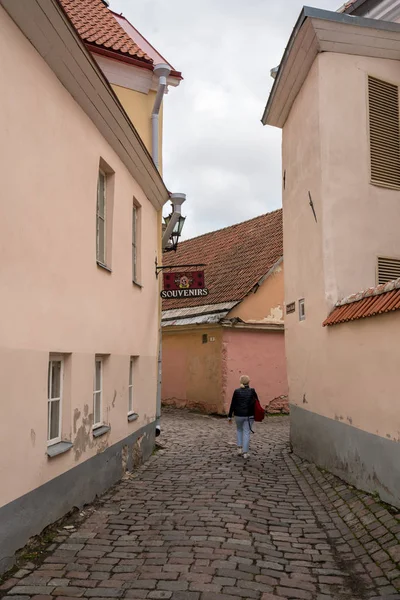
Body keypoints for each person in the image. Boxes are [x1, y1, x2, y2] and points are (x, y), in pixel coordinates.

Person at [228, 375, 258, 459]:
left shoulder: (236, 391)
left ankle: (239, 449)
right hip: (249, 415)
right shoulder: (252, 391)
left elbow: (233, 404)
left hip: (238, 415)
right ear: (249, 381)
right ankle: (245, 452)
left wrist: (229, 416)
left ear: (240, 382)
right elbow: (257, 402)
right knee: (246, 432)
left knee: (239, 430)